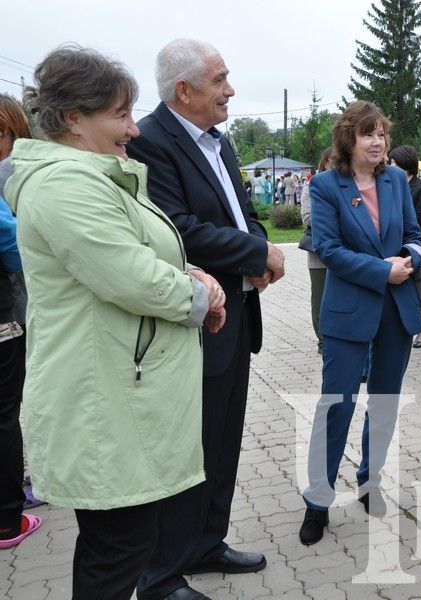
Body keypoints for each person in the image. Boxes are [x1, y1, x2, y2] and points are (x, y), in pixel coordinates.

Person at [5, 46, 225, 599]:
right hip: (100, 398)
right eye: (120, 115)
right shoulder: (65, 185)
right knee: (116, 549)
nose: (133, 129)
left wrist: (189, 270)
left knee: (124, 543)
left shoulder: (99, 175)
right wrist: (200, 298)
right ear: (73, 118)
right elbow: (130, 275)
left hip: (118, 390)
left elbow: (143, 251)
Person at [127, 38, 285, 600]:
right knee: (184, 449)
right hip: (190, 325)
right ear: (184, 90)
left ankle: (206, 544)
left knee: (222, 441)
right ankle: (161, 573)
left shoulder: (218, 140)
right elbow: (179, 228)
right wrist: (255, 253)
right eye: (220, 80)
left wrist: (260, 247)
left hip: (235, 314)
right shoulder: (150, 141)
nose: (231, 90)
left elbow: (243, 213)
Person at [298, 101, 421, 545]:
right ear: (348, 139)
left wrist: (410, 254)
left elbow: (414, 231)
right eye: (368, 134)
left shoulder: (394, 180)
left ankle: (370, 481)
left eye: (382, 134)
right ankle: (318, 500)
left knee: (385, 403)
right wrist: (381, 269)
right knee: (336, 406)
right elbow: (328, 249)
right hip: (348, 313)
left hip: (395, 311)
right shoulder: (326, 186)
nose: (378, 142)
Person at [0, 93, 40, 551]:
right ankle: (10, 516)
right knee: (6, 416)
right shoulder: (11, 176)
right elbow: (17, 247)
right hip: (8, 315)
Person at [388, 143, 421, 348]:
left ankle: (420, 329)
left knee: (414, 286)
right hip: (389, 245)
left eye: (394, 162)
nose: (390, 165)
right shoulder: (387, 181)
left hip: (411, 243)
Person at [300, 147, 331, 354]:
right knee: (319, 298)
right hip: (319, 254)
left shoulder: (346, 185)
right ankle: (322, 341)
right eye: (332, 161)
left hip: (345, 253)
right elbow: (308, 219)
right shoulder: (311, 187)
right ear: (325, 162)